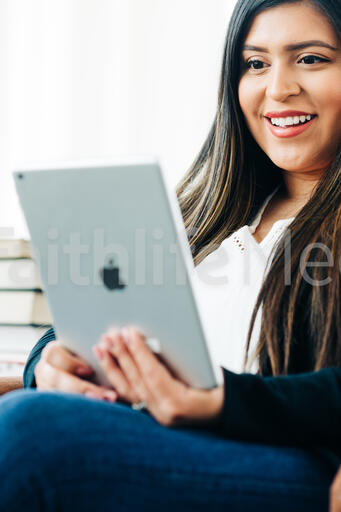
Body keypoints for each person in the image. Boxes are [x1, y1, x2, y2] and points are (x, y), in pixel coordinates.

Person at [1, 0, 340, 510]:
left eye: (311, 58)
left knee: (31, 433)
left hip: (279, 454)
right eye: (255, 63)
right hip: (153, 434)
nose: (278, 88)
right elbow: (89, 322)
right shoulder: (207, 210)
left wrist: (224, 401)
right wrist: (47, 365)